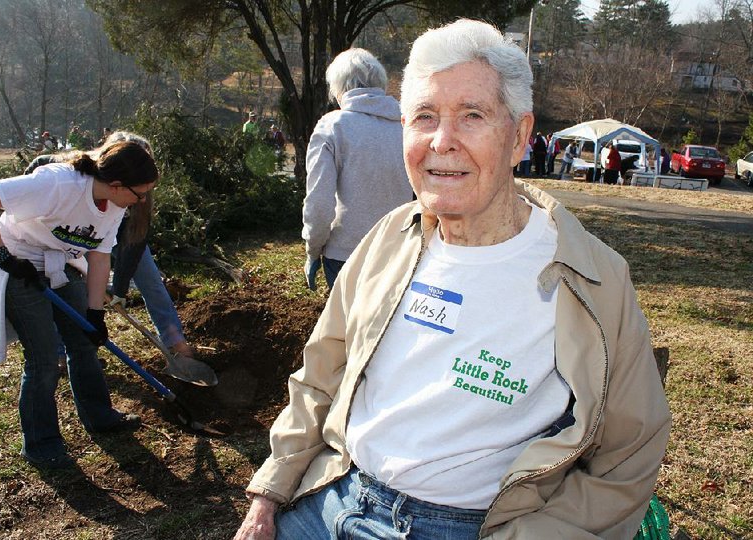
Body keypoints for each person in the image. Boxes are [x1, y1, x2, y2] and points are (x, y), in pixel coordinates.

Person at [236, 18, 670, 540]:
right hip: (335, 495)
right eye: (424, 117)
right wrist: (270, 493)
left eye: (472, 115)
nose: (442, 141)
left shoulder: (592, 278)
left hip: (469, 527)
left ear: (520, 136)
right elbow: (320, 375)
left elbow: (627, 456)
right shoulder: (388, 239)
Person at [0, 140, 158, 469]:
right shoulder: (58, 184)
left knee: (85, 343)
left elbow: (99, 259)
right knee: (43, 359)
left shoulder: (114, 206)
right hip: (17, 265)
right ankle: (41, 443)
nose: (141, 201)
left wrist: (95, 314)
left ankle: (100, 416)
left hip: (60, 264)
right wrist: (3, 256)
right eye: (139, 193)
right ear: (116, 185)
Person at [24, 132, 198, 364]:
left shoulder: (140, 191)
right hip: (74, 230)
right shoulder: (72, 172)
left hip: (117, 231)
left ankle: (174, 341)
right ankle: (64, 351)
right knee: (65, 286)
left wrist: (119, 289)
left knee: (152, 281)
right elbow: (33, 175)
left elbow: (135, 242)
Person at [301, 47, 413, 290]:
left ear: (339, 88)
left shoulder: (333, 126)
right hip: (398, 251)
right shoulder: (408, 127)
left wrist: (313, 249)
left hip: (346, 253)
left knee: (348, 326)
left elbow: (319, 203)